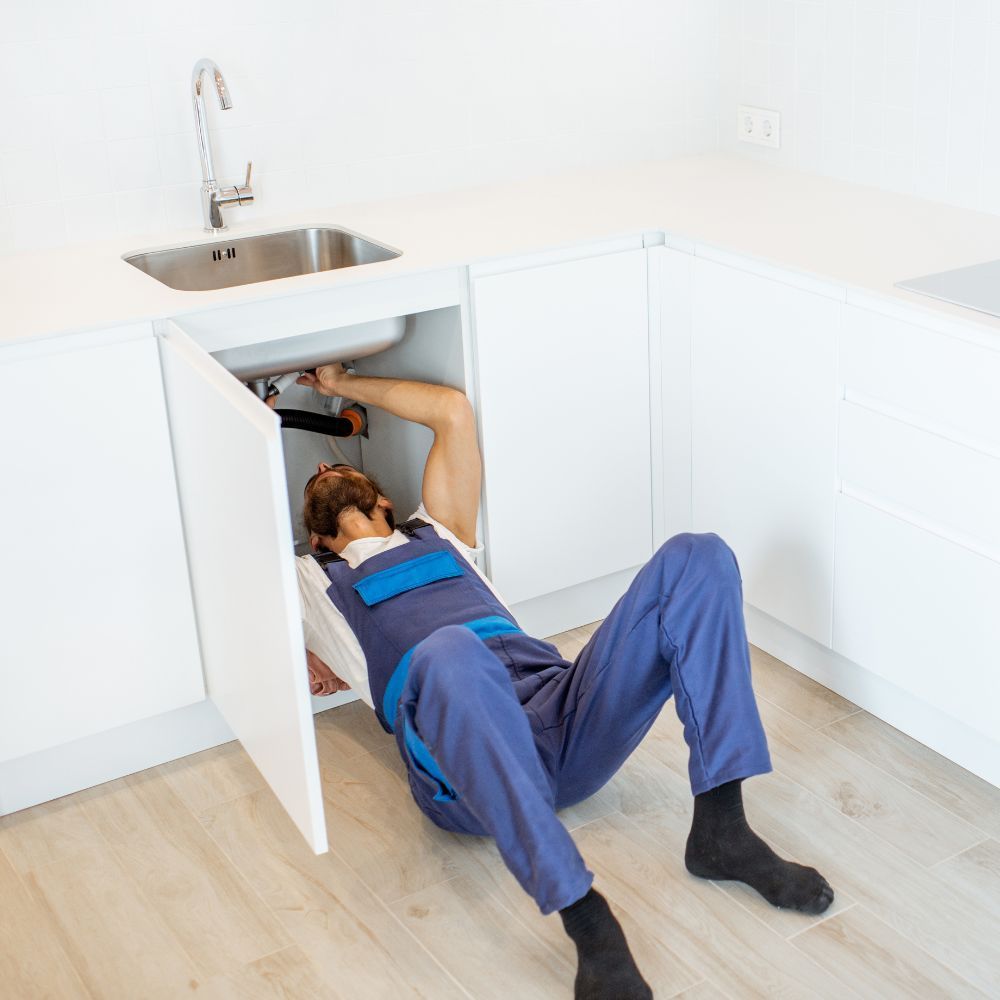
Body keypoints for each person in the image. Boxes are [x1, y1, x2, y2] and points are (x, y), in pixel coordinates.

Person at [292, 363, 834, 1000]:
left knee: (699, 555)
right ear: (316, 535)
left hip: (561, 708)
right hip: (461, 761)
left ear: (383, 499)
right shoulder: (307, 583)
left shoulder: (441, 531)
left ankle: (722, 827)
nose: (324, 472)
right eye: (313, 483)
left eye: (334, 468)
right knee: (449, 652)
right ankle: (586, 918)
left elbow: (451, 412)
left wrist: (336, 385)